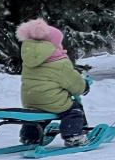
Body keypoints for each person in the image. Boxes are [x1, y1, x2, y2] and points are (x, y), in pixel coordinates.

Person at [16, 18, 90, 147]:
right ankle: (73, 136)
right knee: (73, 109)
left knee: (39, 114)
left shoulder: (28, 60)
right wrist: (84, 87)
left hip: (30, 99)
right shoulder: (60, 62)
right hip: (51, 100)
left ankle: (29, 136)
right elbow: (74, 84)